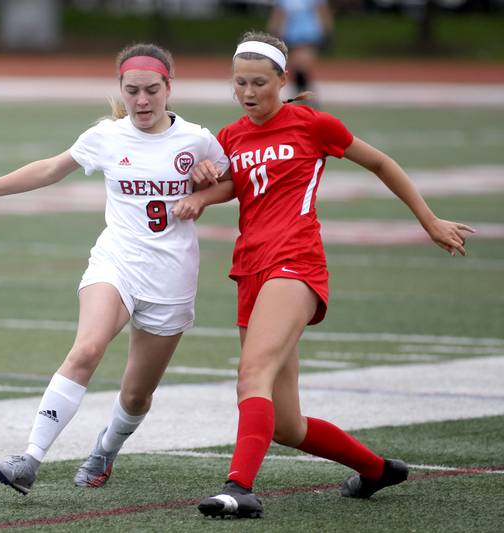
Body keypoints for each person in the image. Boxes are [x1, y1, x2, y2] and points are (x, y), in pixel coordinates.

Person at [171, 31, 474, 519]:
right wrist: (200, 188)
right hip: (249, 268)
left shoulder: (314, 125)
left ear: (283, 80)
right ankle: (377, 470)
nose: (248, 93)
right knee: (287, 424)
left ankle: (239, 488)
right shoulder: (230, 136)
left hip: (296, 262)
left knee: (252, 376)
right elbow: (231, 185)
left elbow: (379, 162)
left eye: (259, 84)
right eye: (239, 84)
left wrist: (429, 220)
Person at [0, 43, 228, 495]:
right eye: (132, 90)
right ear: (120, 88)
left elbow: (235, 180)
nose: (142, 100)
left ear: (169, 89)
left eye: (151, 90)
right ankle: (30, 459)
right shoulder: (107, 136)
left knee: (137, 396)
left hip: (172, 276)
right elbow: (50, 169)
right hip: (116, 261)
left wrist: (205, 188)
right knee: (86, 349)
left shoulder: (197, 140)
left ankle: (105, 451)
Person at [267, 0, 333, 105]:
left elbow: (322, 11)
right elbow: (278, 14)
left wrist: (327, 32)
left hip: (309, 35)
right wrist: (273, 32)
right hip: (290, 35)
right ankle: (303, 98)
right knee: (295, 69)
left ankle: (310, 99)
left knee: (303, 66)